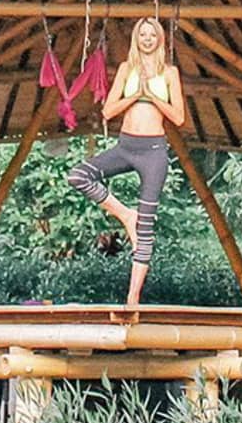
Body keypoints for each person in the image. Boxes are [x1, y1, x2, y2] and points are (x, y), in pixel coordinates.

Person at [67, 18, 186, 307]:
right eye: (142, 34)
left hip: (154, 150)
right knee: (79, 176)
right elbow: (108, 110)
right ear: (136, 38)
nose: (147, 39)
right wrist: (135, 94)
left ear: (159, 39)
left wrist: (152, 97)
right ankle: (125, 214)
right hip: (126, 146)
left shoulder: (169, 73)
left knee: (145, 230)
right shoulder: (126, 69)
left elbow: (179, 118)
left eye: (152, 35)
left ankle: (132, 298)